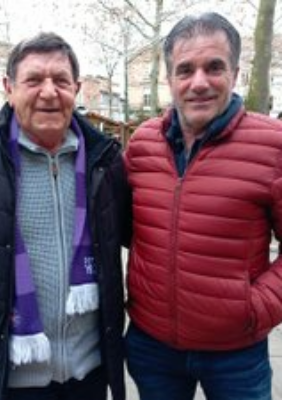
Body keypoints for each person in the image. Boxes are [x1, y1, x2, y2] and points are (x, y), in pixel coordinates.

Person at [0, 32, 130, 400]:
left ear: (77, 89)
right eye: (34, 80)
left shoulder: (106, 162)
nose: (49, 92)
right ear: (9, 88)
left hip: (89, 371)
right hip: (10, 378)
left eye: (61, 81)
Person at [124, 12, 282, 400]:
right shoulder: (142, 144)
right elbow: (128, 227)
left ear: (235, 73)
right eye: (185, 70)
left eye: (214, 67)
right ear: (169, 79)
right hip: (153, 348)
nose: (199, 83)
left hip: (236, 355)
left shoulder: (273, 146)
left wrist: (256, 307)